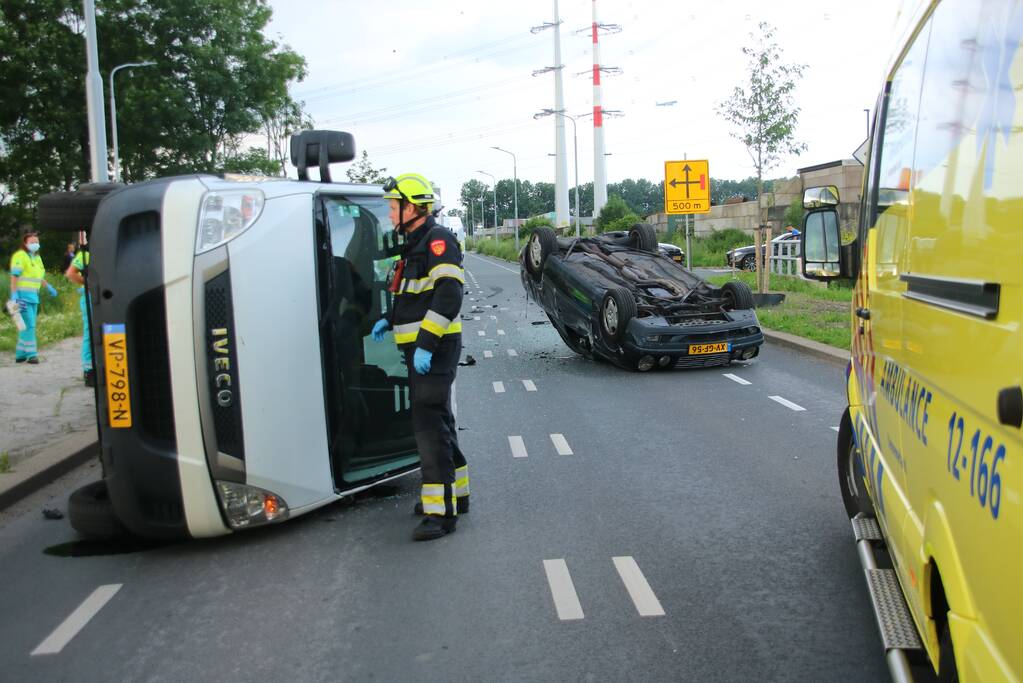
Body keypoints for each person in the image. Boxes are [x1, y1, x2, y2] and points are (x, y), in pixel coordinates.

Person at [370, 173, 469, 542]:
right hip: (422, 350)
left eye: (394, 207)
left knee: (428, 428)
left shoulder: (438, 240)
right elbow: (415, 294)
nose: (391, 214)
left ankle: (440, 514)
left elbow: (448, 295)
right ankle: (457, 493)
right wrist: (389, 318)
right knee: (439, 420)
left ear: (412, 207)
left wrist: (426, 344)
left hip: (434, 349)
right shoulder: (416, 243)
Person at [8, 232, 58, 364]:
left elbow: (38, 277)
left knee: (25, 326)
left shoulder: (37, 258)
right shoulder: (20, 256)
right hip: (22, 296)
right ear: (25, 243)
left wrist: (49, 287)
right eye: (31, 241)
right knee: (30, 325)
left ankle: (20, 354)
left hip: (33, 296)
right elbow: (14, 276)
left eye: (36, 241)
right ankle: (32, 354)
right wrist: (14, 295)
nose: (35, 243)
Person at [64, 241, 94, 386]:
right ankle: (89, 370)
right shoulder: (85, 254)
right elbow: (70, 273)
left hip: (103, 296)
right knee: (91, 332)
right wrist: (87, 283)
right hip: (90, 296)